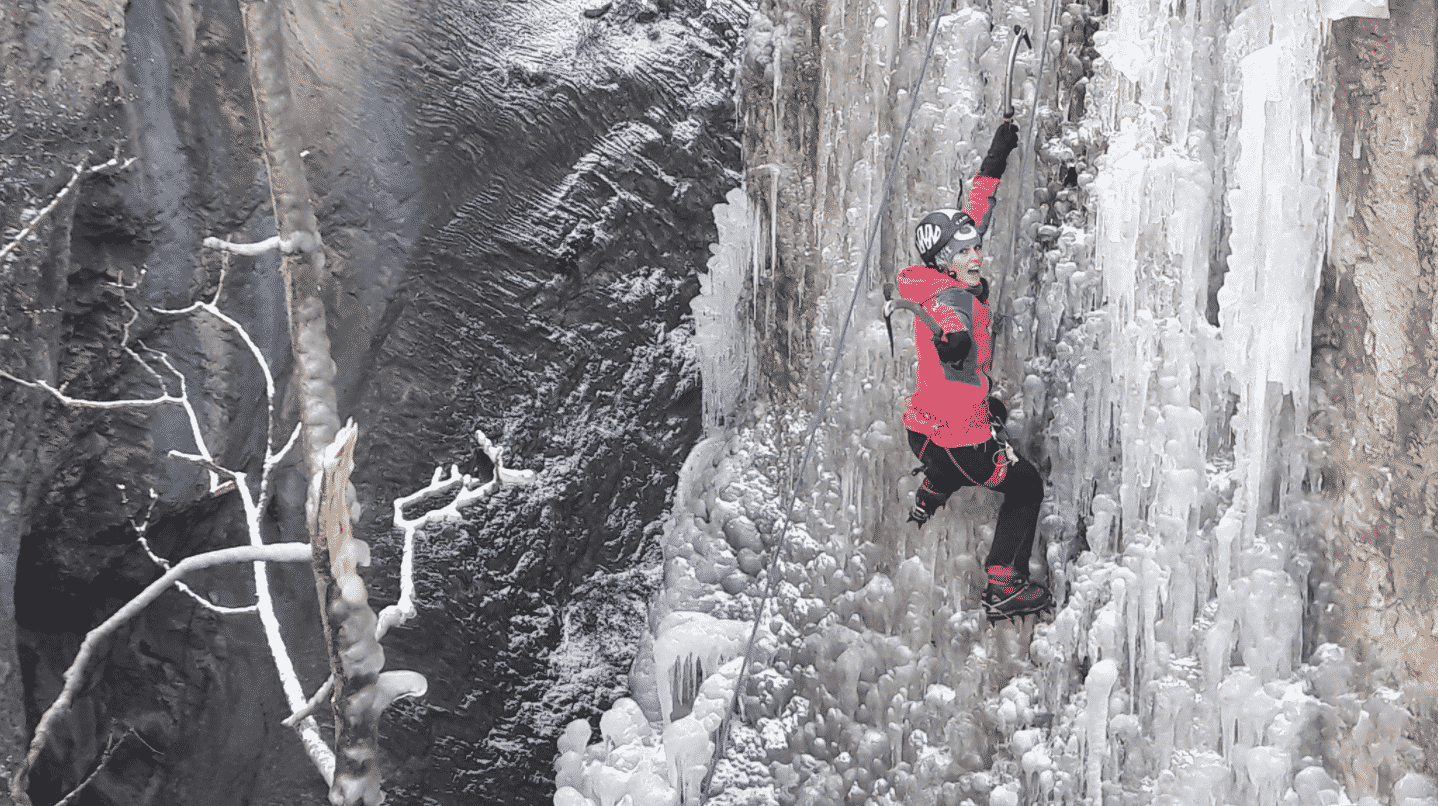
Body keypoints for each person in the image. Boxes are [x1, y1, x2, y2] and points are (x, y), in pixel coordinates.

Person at [897, 121, 1052, 622]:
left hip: (919, 431)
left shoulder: (938, 275)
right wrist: (955, 345)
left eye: (974, 246)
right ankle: (1003, 582)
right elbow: (953, 328)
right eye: (966, 251)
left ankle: (934, 485)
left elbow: (976, 212)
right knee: (1026, 486)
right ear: (946, 261)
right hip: (960, 442)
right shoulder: (951, 300)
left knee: (997, 407)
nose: (976, 253)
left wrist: (997, 154)